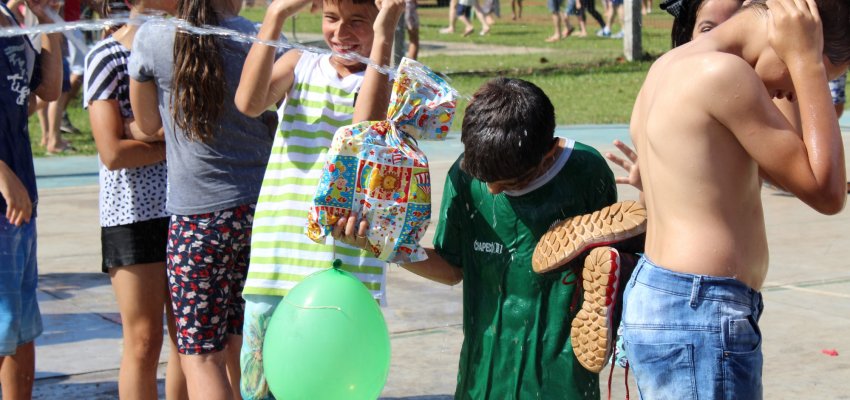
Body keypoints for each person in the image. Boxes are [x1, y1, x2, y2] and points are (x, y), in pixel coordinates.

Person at [623, 0, 848, 397]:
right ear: (793, 38)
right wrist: (808, 64)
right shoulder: (725, 75)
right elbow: (827, 192)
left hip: (673, 300)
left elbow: (781, 168)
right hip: (700, 310)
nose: (793, 94)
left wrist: (800, 60)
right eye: (800, 79)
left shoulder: (671, 64)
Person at [342, 77, 620, 398]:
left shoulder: (586, 173)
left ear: (548, 153)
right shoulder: (464, 178)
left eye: (509, 181)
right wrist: (386, 246)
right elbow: (452, 268)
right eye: (485, 179)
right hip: (484, 373)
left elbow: (614, 263)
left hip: (561, 374)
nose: (492, 190)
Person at [233, 0, 404, 397]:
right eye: (331, 19)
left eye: (357, 22)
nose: (341, 33)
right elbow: (248, 102)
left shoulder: (386, 80)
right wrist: (275, 15)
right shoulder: (299, 64)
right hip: (278, 256)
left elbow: (362, 133)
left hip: (343, 266)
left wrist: (384, 34)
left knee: (332, 380)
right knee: (258, 387)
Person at [128, 0, 277, 397]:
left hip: (198, 220)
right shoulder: (256, 36)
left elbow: (146, 125)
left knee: (200, 354)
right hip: (260, 213)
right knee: (250, 344)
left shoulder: (152, 38)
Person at [83, 0, 188, 398]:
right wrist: (174, 142)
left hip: (187, 207)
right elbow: (113, 152)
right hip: (132, 214)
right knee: (144, 341)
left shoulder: (188, 49)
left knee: (188, 339)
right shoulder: (107, 56)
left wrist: (143, 132)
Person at [0, 0, 63, 398]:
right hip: (7, 190)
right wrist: (3, 175)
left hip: (21, 197)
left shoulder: (11, 19)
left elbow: (48, 90)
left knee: (21, 327)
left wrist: (47, 21)